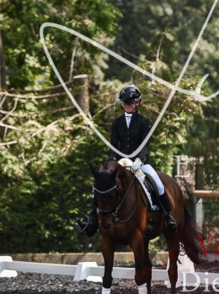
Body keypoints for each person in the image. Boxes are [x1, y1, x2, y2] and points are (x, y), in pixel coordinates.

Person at [75, 85, 178, 236]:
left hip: (140, 163)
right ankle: (91, 220)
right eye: (124, 103)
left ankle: (168, 218)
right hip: (120, 163)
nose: (127, 106)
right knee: (100, 185)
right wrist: (111, 160)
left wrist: (139, 160)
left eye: (130, 103)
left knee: (159, 185)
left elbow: (145, 145)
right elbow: (113, 145)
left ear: (137, 103)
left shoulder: (144, 122)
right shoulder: (117, 123)